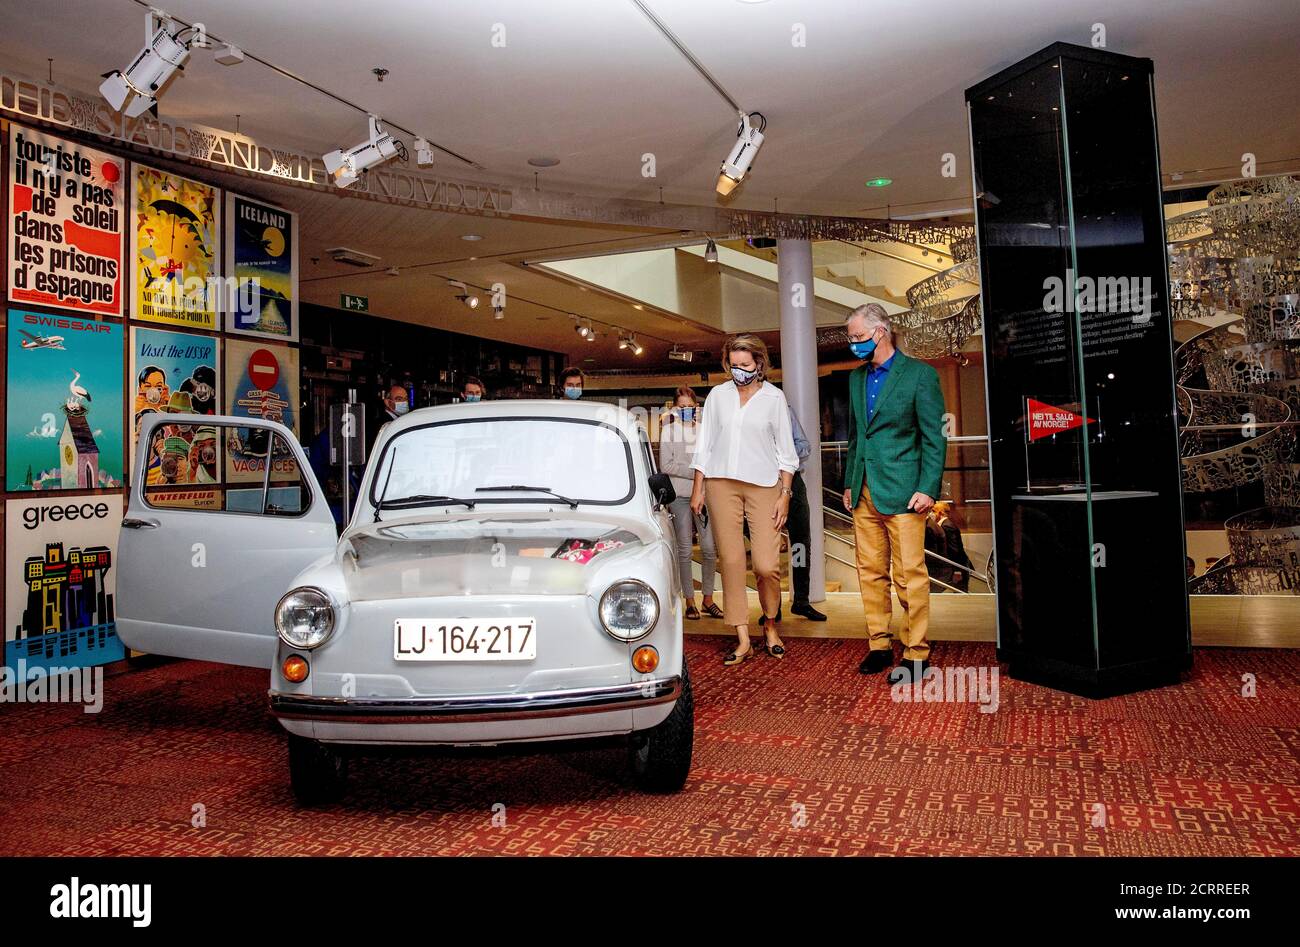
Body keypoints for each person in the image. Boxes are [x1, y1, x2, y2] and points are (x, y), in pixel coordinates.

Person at [841, 303, 947, 680]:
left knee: (909, 575)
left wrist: (927, 488)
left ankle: (916, 652)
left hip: (905, 493)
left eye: (858, 337)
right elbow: (857, 438)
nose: (853, 344)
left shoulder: (919, 375)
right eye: (850, 338)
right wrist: (850, 483)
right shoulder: (855, 379)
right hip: (865, 490)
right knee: (870, 573)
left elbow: (934, 438)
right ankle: (879, 645)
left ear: (880, 332)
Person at [690, 334, 800, 666]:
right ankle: (741, 637)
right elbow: (704, 445)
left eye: (745, 365)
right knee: (733, 562)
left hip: (765, 486)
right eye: (734, 365)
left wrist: (785, 494)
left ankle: (769, 624)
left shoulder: (773, 398)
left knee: (767, 566)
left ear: (759, 365)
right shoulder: (717, 396)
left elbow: (787, 454)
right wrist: (698, 488)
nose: (739, 371)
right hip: (720, 483)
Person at [759, 405, 827, 626]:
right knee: (768, 550)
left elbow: (804, 446)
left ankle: (801, 601)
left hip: (793, 484)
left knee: (800, 545)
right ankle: (773, 606)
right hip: (763, 487)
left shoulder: (783, 410)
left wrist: (783, 459)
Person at [658, 386, 721, 621]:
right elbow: (666, 466)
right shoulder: (669, 431)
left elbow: (713, 463)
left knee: (709, 548)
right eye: (681, 406)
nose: (686, 410)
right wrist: (697, 471)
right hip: (680, 496)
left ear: (697, 407)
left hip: (704, 496)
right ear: (675, 408)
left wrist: (700, 479)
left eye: (690, 406)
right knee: (684, 549)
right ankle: (690, 600)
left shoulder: (705, 431)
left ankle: (708, 599)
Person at [925, 500, 972, 592]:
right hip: (955, 568)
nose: (931, 513)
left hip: (959, 568)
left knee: (960, 598)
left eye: (934, 511)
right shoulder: (943, 525)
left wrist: (957, 571)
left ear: (941, 513)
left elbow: (955, 550)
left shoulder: (948, 527)